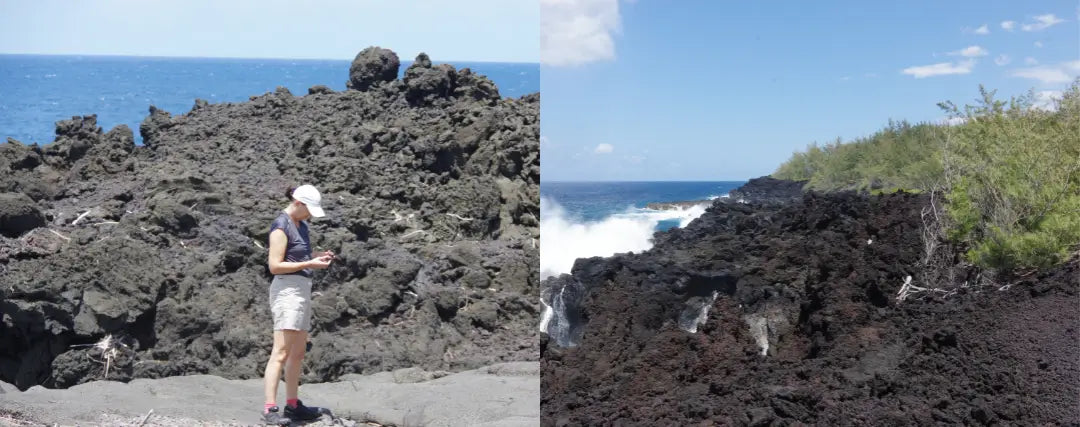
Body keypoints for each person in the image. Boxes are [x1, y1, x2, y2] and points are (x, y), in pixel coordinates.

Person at [261, 184, 334, 425]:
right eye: (309, 209)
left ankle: (292, 405)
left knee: (298, 353)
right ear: (298, 203)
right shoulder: (281, 226)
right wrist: (309, 264)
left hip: (302, 289)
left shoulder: (301, 225)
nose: (311, 214)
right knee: (280, 352)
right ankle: (270, 409)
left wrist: (316, 260)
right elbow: (274, 266)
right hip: (287, 290)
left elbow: (299, 258)